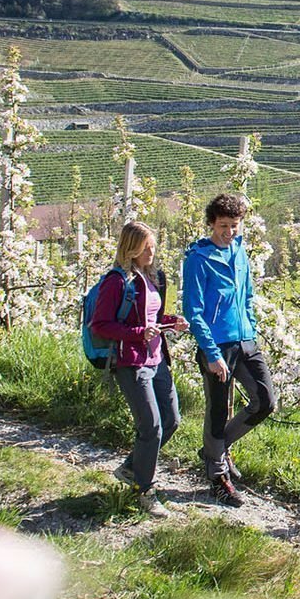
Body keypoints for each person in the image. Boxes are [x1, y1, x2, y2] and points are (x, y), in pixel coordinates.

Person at [183, 192, 275, 506]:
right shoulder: (198, 258)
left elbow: (247, 295)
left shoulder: (239, 251)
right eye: (223, 225)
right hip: (217, 345)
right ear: (212, 223)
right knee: (218, 410)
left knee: (265, 401)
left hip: (245, 340)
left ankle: (215, 451)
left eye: (234, 225)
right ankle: (217, 475)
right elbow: (193, 310)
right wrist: (211, 353)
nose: (229, 231)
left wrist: (251, 328)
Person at [91, 220, 183, 517]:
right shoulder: (117, 282)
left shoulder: (150, 276)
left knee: (171, 420)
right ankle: (144, 491)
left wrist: (172, 322)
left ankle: (132, 468)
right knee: (151, 426)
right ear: (131, 249)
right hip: (131, 363)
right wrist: (138, 333)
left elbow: (151, 316)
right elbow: (102, 324)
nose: (152, 253)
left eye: (154, 247)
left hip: (156, 360)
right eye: (146, 248)